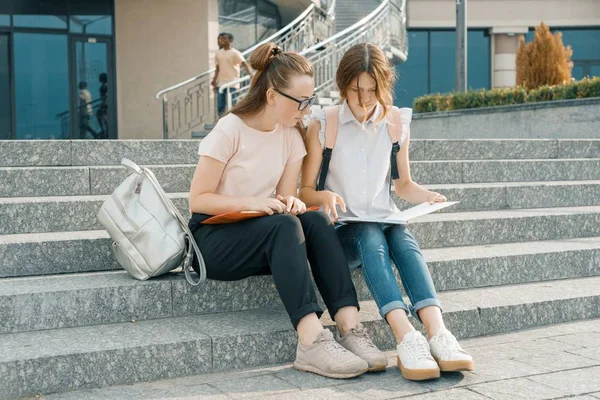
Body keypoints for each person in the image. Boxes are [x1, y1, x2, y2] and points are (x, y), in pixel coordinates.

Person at [188, 42, 386, 379]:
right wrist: (253, 202)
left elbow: (283, 200)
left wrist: (291, 202)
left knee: (312, 218)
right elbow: (198, 200)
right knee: (284, 226)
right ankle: (311, 341)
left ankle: (350, 327)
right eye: (301, 102)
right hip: (212, 240)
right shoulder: (230, 129)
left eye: (311, 101)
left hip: (259, 232)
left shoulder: (291, 137)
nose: (307, 111)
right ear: (271, 96)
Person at [299, 43, 474, 381]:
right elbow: (304, 191)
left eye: (372, 90)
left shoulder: (395, 123)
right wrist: (324, 195)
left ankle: (438, 334)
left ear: (384, 86)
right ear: (342, 85)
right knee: (369, 231)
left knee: (399, 233)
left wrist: (428, 196)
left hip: (384, 224)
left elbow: (403, 184)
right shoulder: (325, 124)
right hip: (343, 235)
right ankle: (406, 335)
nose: (365, 100)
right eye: (356, 90)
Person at [211, 32, 252, 116]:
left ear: (230, 40)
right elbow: (217, 68)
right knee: (220, 105)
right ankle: (221, 122)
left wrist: (251, 74)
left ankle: (233, 121)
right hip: (221, 83)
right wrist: (214, 80)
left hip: (233, 83)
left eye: (224, 39)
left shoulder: (235, 53)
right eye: (220, 39)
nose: (221, 41)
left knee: (233, 104)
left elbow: (244, 64)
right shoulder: (218, 53)